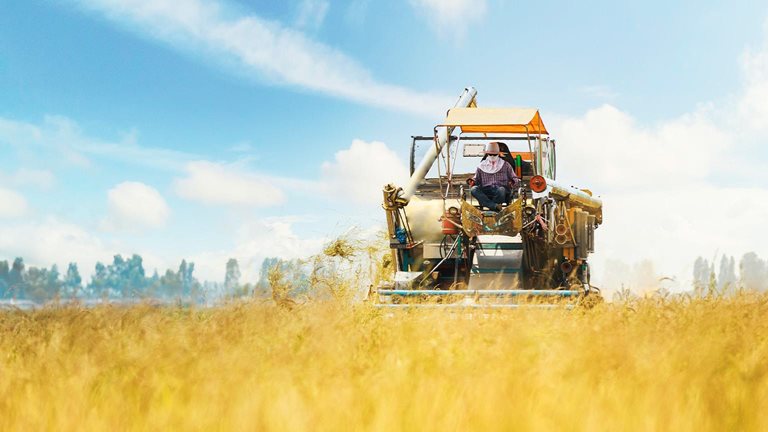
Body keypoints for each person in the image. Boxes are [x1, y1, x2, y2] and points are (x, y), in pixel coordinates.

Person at [467, 141, 520, 211]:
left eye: (494, 155)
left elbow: (515, 178)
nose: (492, 156)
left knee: (501, 190)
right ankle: (494, 206)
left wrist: (512, 182)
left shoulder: (506, 165)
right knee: (473, 189)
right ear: (487, 154)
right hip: (485, 191)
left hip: (501, 190)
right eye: (490, 154)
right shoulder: (481, 166)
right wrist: (472, 181)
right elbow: (476, 179)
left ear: (499, 154)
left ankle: (492, 207)